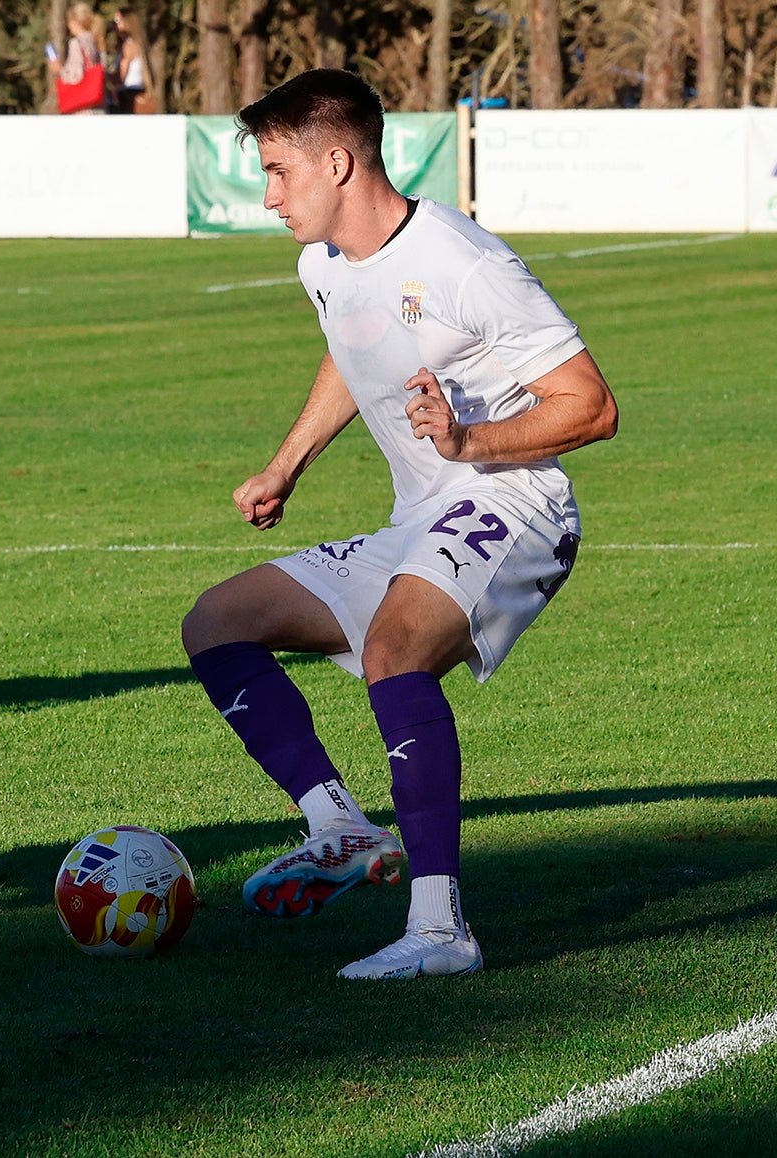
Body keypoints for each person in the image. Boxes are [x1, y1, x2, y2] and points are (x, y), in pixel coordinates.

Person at [179, 68, 619, 980]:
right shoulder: (323, 263)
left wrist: (471, 439)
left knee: (394, 651)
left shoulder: (466, 263)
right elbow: (356, 349)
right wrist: (285, 466)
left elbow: (593, 406)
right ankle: (338, 829)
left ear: (336, 162)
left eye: (275, 173)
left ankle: (439, 929)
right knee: (216, 624)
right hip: (423, 513)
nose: (266, 198)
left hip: (516, 499)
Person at [48, 2, 106, 115]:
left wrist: (59, 69)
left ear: (75, 22)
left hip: (83, 108)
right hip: (97, 104)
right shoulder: (95, 41)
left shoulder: (76, 43)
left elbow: (75, 76)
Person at [110, 12, 149, 113]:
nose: (114, 25)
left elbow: (121, 76)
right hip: (136, 92)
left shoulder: (128, 46)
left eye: (117, 21)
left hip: (128, 94)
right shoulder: (137, 43)